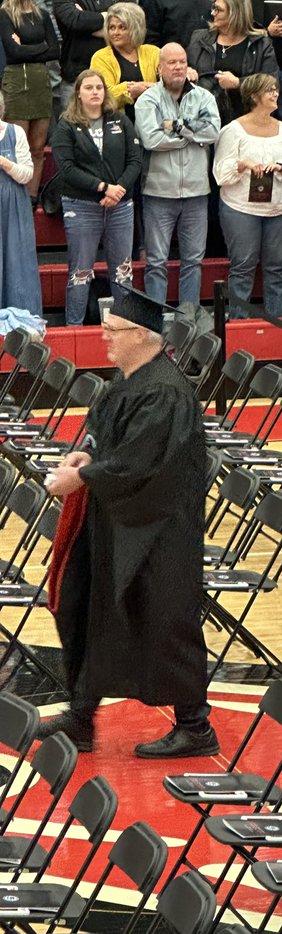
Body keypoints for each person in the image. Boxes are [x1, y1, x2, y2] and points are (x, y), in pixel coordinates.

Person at [38, 285, 218, 759]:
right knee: (87, 605)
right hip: (119, 517)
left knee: (162, 621)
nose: (105, 340)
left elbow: (140, 462)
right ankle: (81, 715)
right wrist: (88, 455)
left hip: (158, 529)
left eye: (113, 332)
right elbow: (114, 443)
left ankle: (196, 727)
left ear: (141, 334)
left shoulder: (164, 391)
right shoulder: (132, 379)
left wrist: (83, 478)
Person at [51, 68, 143, 325]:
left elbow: (135, 161)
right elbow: (67, 169)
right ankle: (74, 331)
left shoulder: (120, 120)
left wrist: (119, 190)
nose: (95, 92)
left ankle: (127, 333)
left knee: (123, 273)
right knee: (80, 273)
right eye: (89, 88)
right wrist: (104, 187)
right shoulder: (66, 125)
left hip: (120, 206)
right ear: (78, 93)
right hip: (81, 206)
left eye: (99, 87)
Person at [135, 42, 221, 306]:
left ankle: (189, 321)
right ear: (159, 67)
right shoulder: (147, 100)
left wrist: (177, 126)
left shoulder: (204, 97)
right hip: (158, 192)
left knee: (193, 262)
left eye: (182, 61)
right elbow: (151, 139)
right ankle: (154, 326)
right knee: (157, 262)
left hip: (197, 192)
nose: (178, 67)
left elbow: (213, 132)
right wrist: (190, 138)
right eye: (171, 62)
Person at [212, 71, 282, 316]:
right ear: (254, 96)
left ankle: (278, 326)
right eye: (269, 90)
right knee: (242, 267)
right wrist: (243, 165)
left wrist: (281, 167)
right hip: (240, 209)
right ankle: (236, 325)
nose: (276, 94)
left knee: (276, 268)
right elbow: (220, 173)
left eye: (276, 89)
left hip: (280, 208)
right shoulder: (233, 130)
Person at [52, 0, 135, 100]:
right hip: (77, 80)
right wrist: (110, 20)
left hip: (118, 77)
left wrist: (88, 22)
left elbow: (132, 27)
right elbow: (74, 21)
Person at [0, 0, 57, 201]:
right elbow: (13, 53)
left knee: (37, 146)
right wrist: (39, 47)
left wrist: (27, 47)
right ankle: (16, 195)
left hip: (40, 82)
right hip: (16, 82)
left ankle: (32, 196)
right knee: (17, 144)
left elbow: (54, 50)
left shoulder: (42, 14)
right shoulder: (4, 14)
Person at [187, 0, 277, 125]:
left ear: (235, 14)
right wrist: (186, 70)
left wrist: (238, 83)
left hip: (246, 118)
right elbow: (181, 66)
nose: (212, 13)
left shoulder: (261, 44)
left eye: (218, 10)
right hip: (203, 119)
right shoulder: (199, 38)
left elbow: (271, 82)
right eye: (213, 8)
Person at [0, 87, 38, 314]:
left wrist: (4, 163)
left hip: (13, 206)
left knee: (18, 264)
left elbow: (27, 174)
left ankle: (20, 319)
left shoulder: (16, 133)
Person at [89, 0, 159, 121]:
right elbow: (103, 96)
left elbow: (169, 83)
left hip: (153, 121)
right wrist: (129, 90)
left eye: (122, 27)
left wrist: (146, 87)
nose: (115, 33)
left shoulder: (153, 52)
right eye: (112, 27)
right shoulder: (101, 58)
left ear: (135, 28)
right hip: (117, 124)